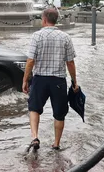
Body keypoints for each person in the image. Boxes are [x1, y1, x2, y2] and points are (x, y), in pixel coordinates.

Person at [22, 8, 78, 151]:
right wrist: (74, 81)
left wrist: (25, 80)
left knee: (34, 108)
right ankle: (56, 144)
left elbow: (30, 61)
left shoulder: (37, 36)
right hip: (58, 80)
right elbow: (70, 62)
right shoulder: (65, 37)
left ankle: (34, 137)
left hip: (40, 79)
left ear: (45, 19)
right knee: (59, 113)